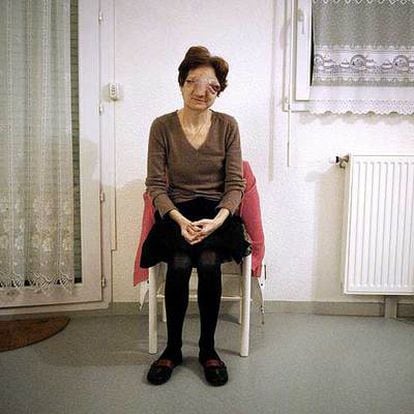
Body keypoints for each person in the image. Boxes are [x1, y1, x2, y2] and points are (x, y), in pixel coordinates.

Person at [140, 46, 250, 386]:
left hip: (216, 214)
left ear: (219, 91)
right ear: (181, 83)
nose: (201, 91)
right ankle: (172, 349)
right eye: (192, 82)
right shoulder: (162, 126)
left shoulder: (228, 125)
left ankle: (207, 349)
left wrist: (217, 220)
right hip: (178, 212)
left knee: (208, 260)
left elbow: (235, 184)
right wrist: (179, 219)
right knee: (179, 262)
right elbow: (155, 185)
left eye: (211, 85)